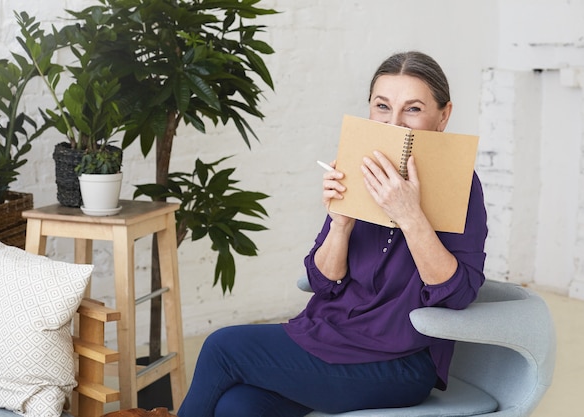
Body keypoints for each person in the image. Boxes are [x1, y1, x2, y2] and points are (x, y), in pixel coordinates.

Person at [177, 51, 488, 417]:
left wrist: (409, 214)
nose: (395, 123)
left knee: (221, 346)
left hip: (400, 362)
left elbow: (458, 295)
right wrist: (340, 223)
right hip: (330, 336)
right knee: (239, 406)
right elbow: (321, 281)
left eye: (413, 109)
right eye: (382, 106)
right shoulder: (359, 168)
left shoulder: (461, 185)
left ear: (443, 115)